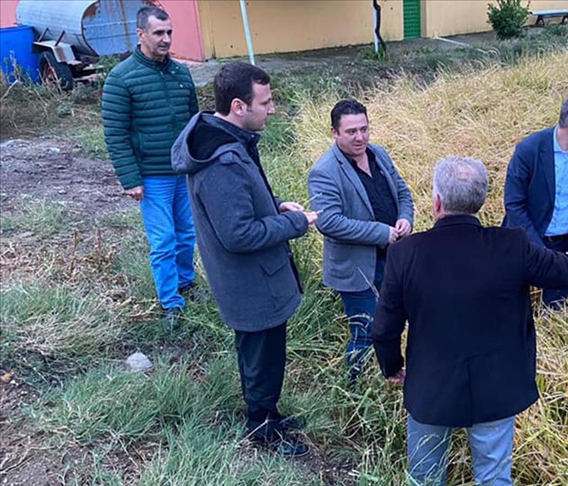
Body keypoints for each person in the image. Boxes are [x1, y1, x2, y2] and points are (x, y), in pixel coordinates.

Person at [373, 156, 568, 485]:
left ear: (436, 201)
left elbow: (385, 327)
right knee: (494, 478)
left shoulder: (406, 253)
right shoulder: (512, 245)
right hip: (497, 388)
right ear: (481, 200)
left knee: (425, 478)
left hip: (430, 388)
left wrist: (392, 366)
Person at [172, 62, 317, 458]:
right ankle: (263, 430)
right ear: (238, 106)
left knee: (264, 354)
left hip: (255, 278)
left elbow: (241, 207)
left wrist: (273, 206)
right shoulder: (221, 160)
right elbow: (237, 234)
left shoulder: (228, 139)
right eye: (266, 102)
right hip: (251, 282)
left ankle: (267, 413)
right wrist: (293, 222)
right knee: (261, 357)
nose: (272, 110)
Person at [102, 6, 200, 329]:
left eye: (169, 32)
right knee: (164, 240)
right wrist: (131, 179)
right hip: (152, 175)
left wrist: (199, 165)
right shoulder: (121, 78)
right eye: (159, 33)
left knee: (188, 233)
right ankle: (171, 303)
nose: (166, 39)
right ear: (141, 34)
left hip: (184, 172)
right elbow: (115, 135)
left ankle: (187, 283)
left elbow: (193, 126)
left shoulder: (181, 73)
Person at [307, 99, 414, 384]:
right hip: (357, 270)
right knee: (366, 330)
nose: (360, 137)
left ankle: (388, 376)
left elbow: (403, 193)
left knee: (395, 323)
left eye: (364, 129)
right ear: (334, 132)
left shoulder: (378, 154)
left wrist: (405, 218)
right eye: (352, 131)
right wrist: (381, 232)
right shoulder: (324, 171)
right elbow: (328, 222)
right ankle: (354, 386)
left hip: (394, 259)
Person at [503, 90, 568, 310]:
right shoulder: (528, 150)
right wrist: (538, 250)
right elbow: (514, 204)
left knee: (555, 312)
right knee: (508, 307)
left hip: (565, 247)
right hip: (525, 242)